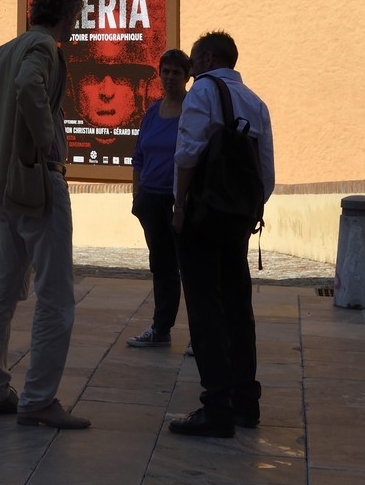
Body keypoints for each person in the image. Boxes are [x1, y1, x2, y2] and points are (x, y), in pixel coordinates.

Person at [0, 0, 91, 431]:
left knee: (5, 289)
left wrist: (2, 129)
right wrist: (43, 142)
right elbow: (27, 85)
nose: (76, 25)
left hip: (5, 187)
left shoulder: (1, 51)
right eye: (75, 16)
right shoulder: (44, 49)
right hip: (37, 183)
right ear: (65, 14)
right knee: (55, 295)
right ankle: (38, 399)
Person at [169, 30, 275, 439]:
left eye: (194, 61)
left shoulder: (202, 92)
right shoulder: (256, 102)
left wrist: (180, 207)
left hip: (202, 215)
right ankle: (246, 401)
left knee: (204, 307)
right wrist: (247, 212)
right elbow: (265, 174)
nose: (191, 69)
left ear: (208, 58)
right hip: (237, 219)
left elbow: (188, 151)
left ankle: (215, 406)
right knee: (237, 306)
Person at [126, 48, 192, 348]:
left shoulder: (193, 111)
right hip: (151, 201)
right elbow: (138, 156)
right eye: (165, 71)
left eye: (176, 72)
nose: (170, 77)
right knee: (162, 267)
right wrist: (137, 194)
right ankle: (161, 329)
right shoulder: (152, 111)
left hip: (181, 203)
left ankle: (201, 338)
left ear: (187, 76)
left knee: (191, 269)